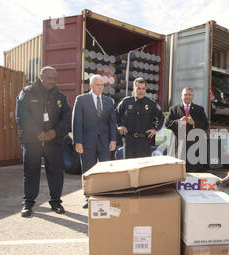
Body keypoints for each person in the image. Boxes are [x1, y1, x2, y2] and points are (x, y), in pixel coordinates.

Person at [15, 66, 71, 217]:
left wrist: (55, 132)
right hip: (32, 141)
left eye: (55, 79)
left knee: (56, 172)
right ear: (41, 76)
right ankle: (28, 204)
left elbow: (67, 118)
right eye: (49, 78)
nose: (52, 81)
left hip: (54, 142)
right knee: (31, 171)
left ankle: (56, 202)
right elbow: (22, 116)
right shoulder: (27, 93)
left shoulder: (60, 96)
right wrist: (37, 133)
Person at [72, 75, 117, 209]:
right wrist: (77, 141)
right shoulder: (81, 100)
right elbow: (76, 122)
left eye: (102, 85)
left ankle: (104, 194)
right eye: (98, 85)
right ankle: (88, 196)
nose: (101, 87)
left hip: (104, 142)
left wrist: (113, 140)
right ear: (90, 86)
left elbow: (112, 123)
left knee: (105, 169)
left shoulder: (108, 101)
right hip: (87, 142)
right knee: (88, 170)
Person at [115, 77, 164, 159]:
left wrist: (155, 129)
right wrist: (119, 126)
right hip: (129, 140)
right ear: (134, 89)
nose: (141, 91)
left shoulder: (151, 103)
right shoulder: (126, 102)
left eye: (143, 89)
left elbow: (161, 117)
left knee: (143, 167)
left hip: (144, 141)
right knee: (129, 167)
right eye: (138, 88)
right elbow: (115, 114)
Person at [165, 87, 208, 171]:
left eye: (189, 95)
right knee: (178, 171)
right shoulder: (174, 109)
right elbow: (167, 124)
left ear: (192, 96)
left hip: (194, 148)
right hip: (178, 147)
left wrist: (194, 123)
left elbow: (205, 125)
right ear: (181, 96)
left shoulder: (200, 109)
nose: (187, 96)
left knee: (193, 172)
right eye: (185, 94)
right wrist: (179, 122)